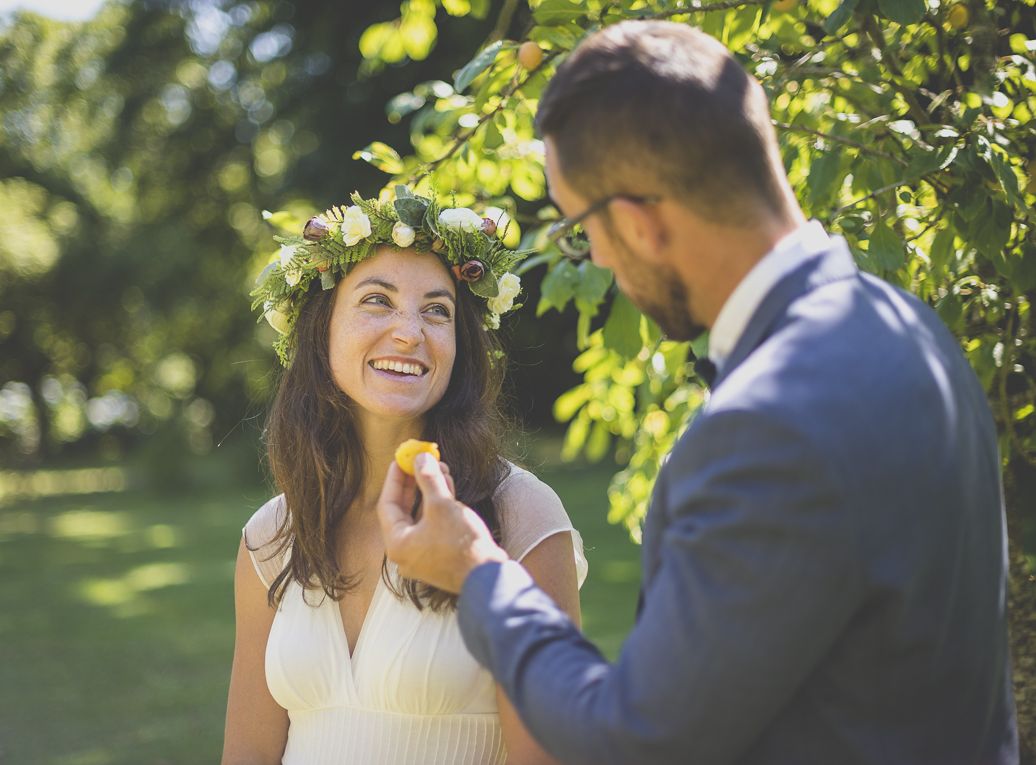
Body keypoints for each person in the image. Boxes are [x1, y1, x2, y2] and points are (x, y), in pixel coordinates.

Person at [377, 20, 1019, 765]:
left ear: (638, 222)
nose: (601, 260)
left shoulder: (770, 424)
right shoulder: (910, 326)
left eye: (583, 228)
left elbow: (632, 735)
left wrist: (476, 570)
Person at [221, 189, 587, 765]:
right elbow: (246, 753)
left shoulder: (520, 516)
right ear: (321, 331)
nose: (409, 332)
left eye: (437, 310)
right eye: (377, 301)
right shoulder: (271, 537)